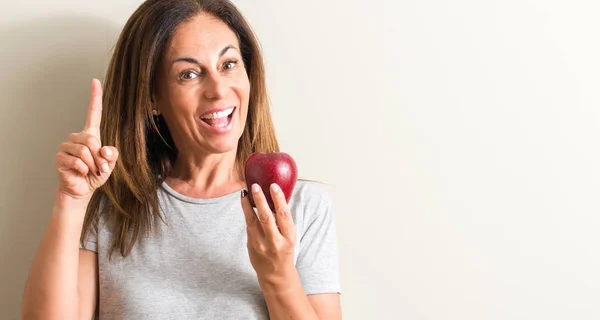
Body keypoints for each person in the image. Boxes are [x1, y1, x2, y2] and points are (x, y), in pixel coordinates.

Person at [20, 0, 342, 319]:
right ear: (152, 98)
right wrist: (70, 201)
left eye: (228, 64)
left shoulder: (302, 208)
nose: (218, 89)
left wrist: (278, 277)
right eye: (189, 74)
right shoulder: (113, 208)